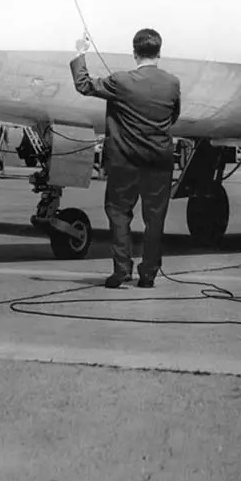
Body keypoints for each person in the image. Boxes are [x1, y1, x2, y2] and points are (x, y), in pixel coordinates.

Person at [70, 28, 181, 288]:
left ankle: (121, 271)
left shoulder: (120, 81)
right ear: (159, 52)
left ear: (134, 53)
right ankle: (149, 273)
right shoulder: (172, 83)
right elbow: (173, 116)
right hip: (159, 161)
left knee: (119, 213)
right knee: (155, 218)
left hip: (125, 161)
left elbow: (84, 85)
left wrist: (80, 53)